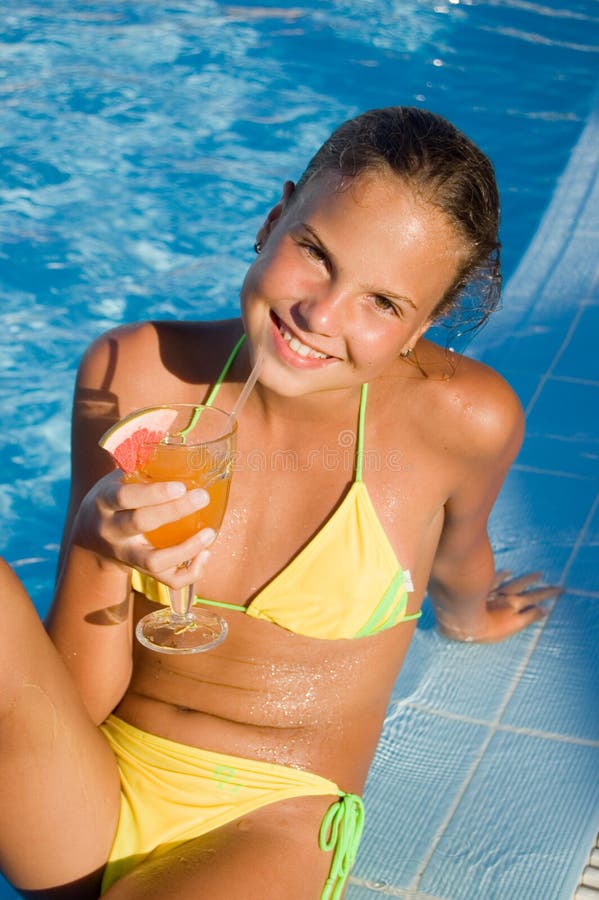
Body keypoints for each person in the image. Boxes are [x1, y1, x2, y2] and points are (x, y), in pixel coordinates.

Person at [0, 107, 560, 900]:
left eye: (383, 303)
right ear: (275, 219)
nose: (321, 316)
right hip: (82, 786)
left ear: (425, 324)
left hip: (269, 820)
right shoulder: (137, 372)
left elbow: (459, 548)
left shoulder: (461, 420)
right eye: (315, 253)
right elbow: (74, 701)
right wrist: (99, 543)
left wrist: (470, 615)